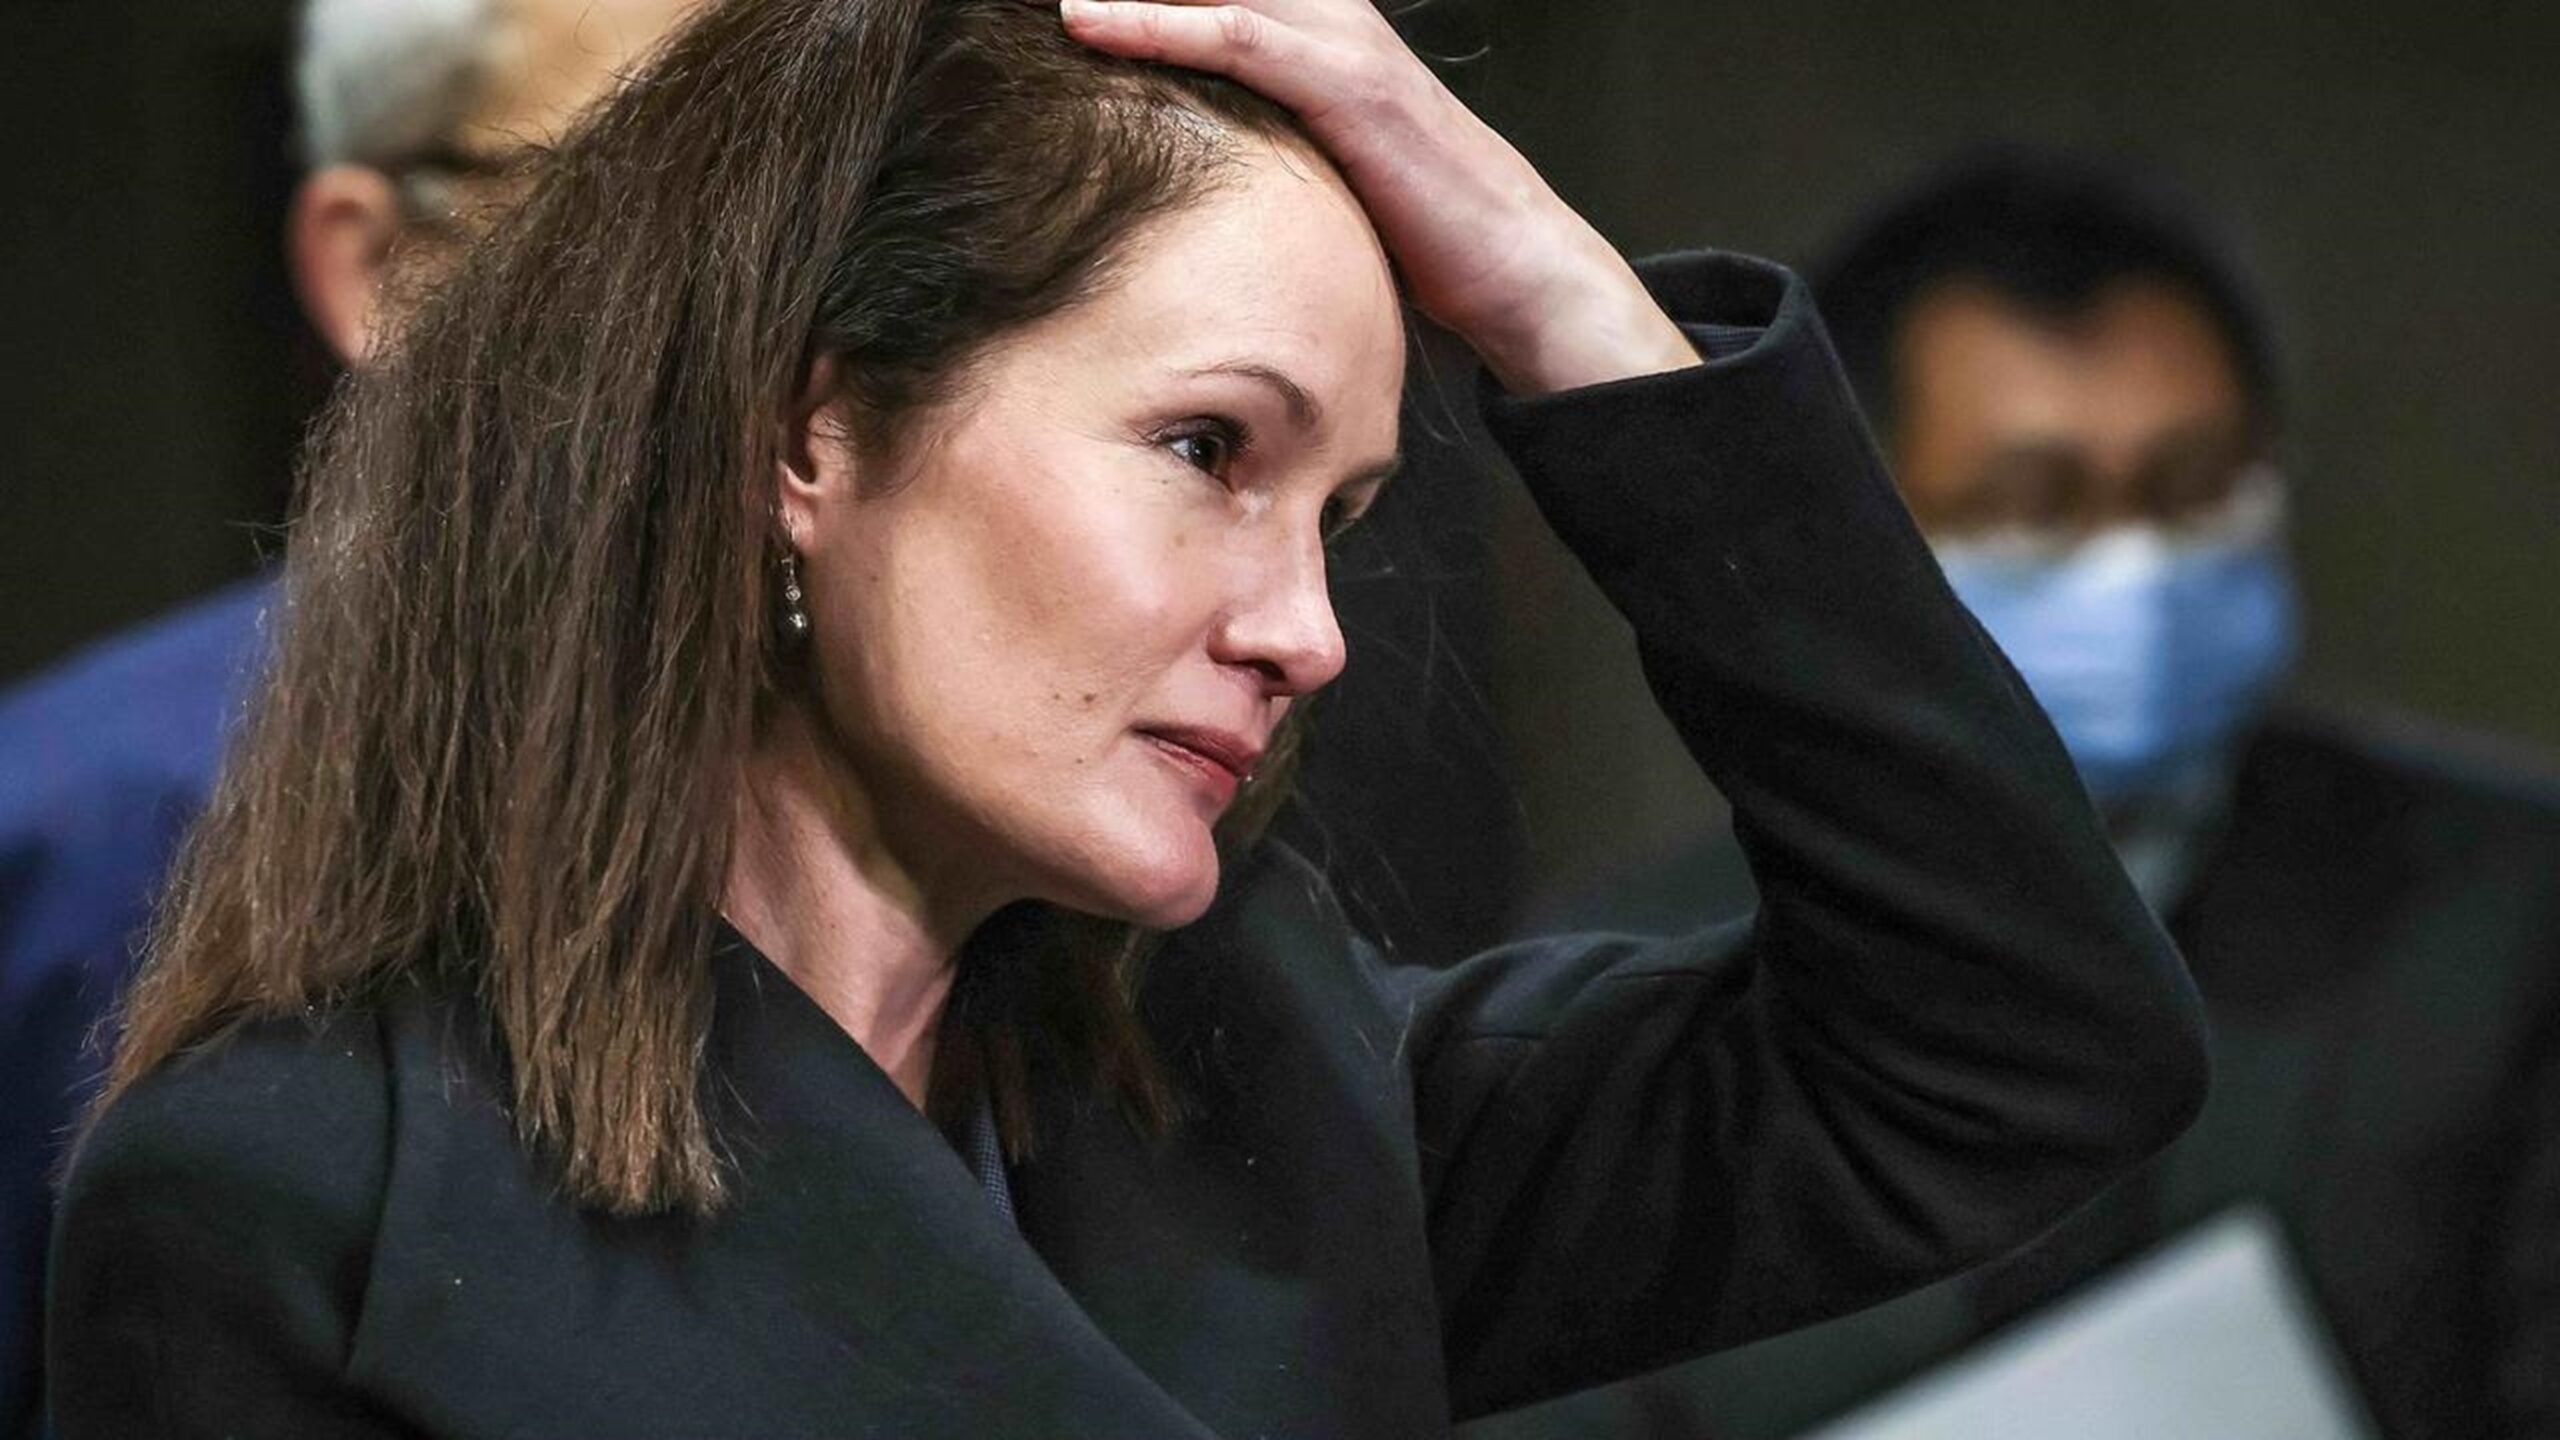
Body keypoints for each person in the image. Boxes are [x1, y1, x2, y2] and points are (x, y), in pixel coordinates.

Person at [46, 7, 2208, 1435]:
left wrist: (1568, 306)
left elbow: (2014, 1047)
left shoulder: (1262, 1083)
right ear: (807, 433)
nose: (1308, 632)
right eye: (1204, 449)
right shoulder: (305, 1200)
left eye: (1341, 517)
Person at [1507, 148, 2560, 1440]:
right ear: (1864, 528)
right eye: (2032, 507)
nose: (2133, 570)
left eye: (2193, 489)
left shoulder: (2512, 913)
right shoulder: (1627, 988)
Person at [0, 2, 694, 1433]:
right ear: (380, 266)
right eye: (647, 186)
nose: (764, 289)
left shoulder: (952, 768)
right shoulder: (98, 826)